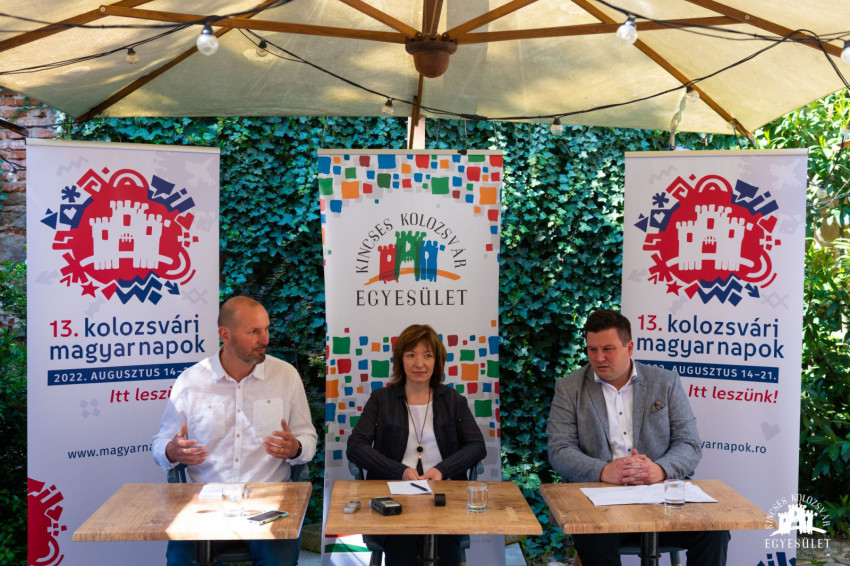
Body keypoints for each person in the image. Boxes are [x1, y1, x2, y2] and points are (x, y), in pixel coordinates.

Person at [546, 309, 729, 566]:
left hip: (661, 496)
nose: (598, 357)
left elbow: (689, 443)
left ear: (629, 347)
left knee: (714, 530)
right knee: (593, 535)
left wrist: (660, 469)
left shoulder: (665, 382)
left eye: (608, 349)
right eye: (592, 349)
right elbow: (559, 449)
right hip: (599, 500)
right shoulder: (569, 387)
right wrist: (604, 471)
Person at [152, 296, 318, 566]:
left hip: (268, 505)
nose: (265, 339)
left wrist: (295, 448)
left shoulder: (285, 376)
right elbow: (159, 445)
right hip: (204, 506)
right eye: (254, 331)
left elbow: (307, 438)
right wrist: (171, 451)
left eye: (266, 329)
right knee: (180, 560)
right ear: (225, 335)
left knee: (279, 561)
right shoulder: (191, 381)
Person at [347, 324, 486, 566]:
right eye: (411, 355)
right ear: (400, 360)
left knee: (446, 545)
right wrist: (399, 471)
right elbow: (356, 445)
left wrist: (442, 470)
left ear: (437, 361)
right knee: (403, 543)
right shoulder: (381, 399)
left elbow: (476, 445)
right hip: (393, 495)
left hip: (444, 496)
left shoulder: (453, 400)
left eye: (427, 355)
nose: (419, 363)